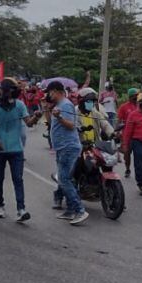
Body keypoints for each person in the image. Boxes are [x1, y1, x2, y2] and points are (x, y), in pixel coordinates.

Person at [0, 79, 43, 222]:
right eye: (12, 89)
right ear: (3, 91)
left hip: (16, 150)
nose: (14, 92)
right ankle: (0, 205)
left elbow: (28, 123)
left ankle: (21, 209)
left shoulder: (20, 105)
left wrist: (36, 117)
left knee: (18, 179)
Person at [42, 81, 89, 225]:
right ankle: (70, 210)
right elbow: (50, 122)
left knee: (64, 179)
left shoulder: (66, 105)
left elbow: (71, 125)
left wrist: (60, 117)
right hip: (62, 148)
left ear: (56, 91)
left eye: (50, 93)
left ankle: (80, 210)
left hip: (68, 147)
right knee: (67, 179)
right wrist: (47, 109)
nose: (49, 96)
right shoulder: (57, 106)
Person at [116, 87, 140, 177]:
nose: (137, 97)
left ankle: (139, 171)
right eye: (135, 96)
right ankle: (127, 168)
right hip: (127, 134)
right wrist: (117, 131)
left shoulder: (141, 106)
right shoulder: (124, 107)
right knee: (127, 153)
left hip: (138, 134)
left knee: (139, 154)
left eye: (138, 95)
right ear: (130, 96)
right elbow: (119, 120)